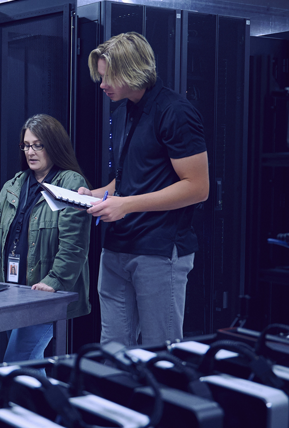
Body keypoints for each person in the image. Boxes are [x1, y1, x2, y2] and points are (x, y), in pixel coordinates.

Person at [79, 32, 209, 348]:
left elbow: (197, 188)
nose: (102, 84)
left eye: (107, 76)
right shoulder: (122, 112)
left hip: (159, 249)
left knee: (160, 350)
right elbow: (123, 183)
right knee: (113, 348)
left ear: (132, 71)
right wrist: (93, 194)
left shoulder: (175, 111)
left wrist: (126, 205)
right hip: (117, 246)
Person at [0, 114, 91, 363]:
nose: (30, 151)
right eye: (26, 145)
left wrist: (55, 280)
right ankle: (38, 402)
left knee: (18, 359)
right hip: (10, 289)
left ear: (53, 145)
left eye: (38, 145)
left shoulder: (70, 183)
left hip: (43, 292)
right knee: (28, 364)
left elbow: (74, 244)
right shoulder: (14, 184)